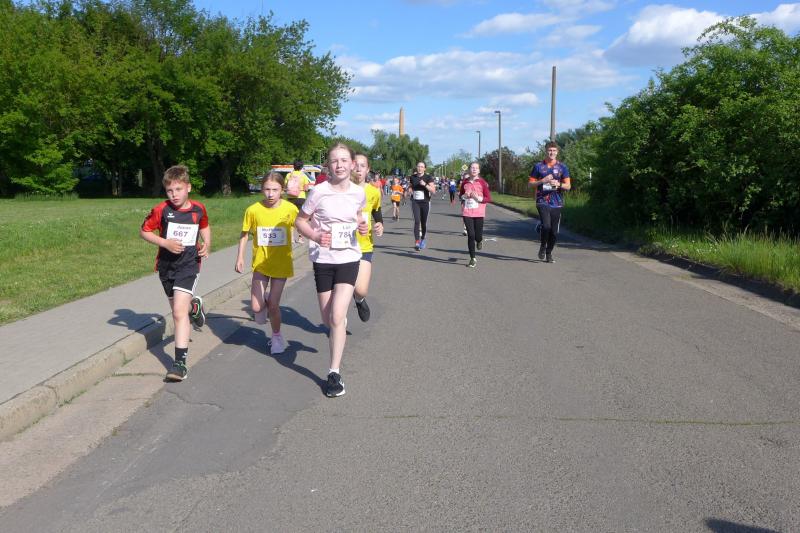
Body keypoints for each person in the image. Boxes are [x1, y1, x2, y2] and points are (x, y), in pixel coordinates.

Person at [295, 143, 368, 398]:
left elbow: (358, 215)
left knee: (337, 317)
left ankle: (334, 373)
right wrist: (315, 235)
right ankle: (339, 322)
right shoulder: (318, 192)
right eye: (334, 160)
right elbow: (300, 221)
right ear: (328, 165)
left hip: (349, 257)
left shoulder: (358, 193)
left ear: (352, 164)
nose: (339, 165)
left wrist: (362, 226)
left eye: (344, 160)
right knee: (328, 320)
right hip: (323, 260)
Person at [140, 165, 211, 382]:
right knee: (180, 309)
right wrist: (165, 243)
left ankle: (179, 364)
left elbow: (204, 226)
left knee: (179, 313)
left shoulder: (198, 209)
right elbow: (144, 231)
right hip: (166, 266)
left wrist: (207, 244)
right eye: (170, 191)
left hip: (189, 265)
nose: (174, 195)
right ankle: (194, 307)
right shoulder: (161, 209)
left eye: (178, 189)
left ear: (188, 187)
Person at [235, 171, 298, 355]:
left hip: (281, 263)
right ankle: (264, 301)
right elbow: (244, 234)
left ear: (282, 190)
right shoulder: (253, 210)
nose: (270, 194)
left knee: (273, 305)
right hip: (261, 263)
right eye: (267, 189)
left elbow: (303, 224)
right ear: (261, 189)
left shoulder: (290, 209)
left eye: (275, 190)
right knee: (256, 307)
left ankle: (277, 337)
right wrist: (240, 257)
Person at [352, 153, 384, 322]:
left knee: (361, 290)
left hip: (364, 246)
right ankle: (339, 322)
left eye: (362, 166)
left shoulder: (373, 191)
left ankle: (359, 299)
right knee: (341, 290)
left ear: (368, 169)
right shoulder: (341, 190)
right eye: (355, 165)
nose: (358, 169)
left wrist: (380, 224)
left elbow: (376, 211)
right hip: (342, 246)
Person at [528, 141, 571, 263]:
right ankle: (543, 246)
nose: (552, 153)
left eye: (554, 150)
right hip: (542, 200)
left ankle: (549, 253)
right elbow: (530, 184)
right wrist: (543, 180)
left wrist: (559, 184)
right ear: (546, 151)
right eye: (549, 150)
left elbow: (568, 186)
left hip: (557, 202)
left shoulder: (562, 167)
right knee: (546, 226)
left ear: (557, 152)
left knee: (554, 231)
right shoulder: (538, 166)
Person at [459, 162, 492, 268]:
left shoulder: (482, 183)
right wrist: (464, 196)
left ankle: (479, 240)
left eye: (476, 168)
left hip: (479, 213)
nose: (474, 169)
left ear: (479, 171)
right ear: (469, 170)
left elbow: (488, 198)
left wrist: (478, 198)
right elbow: (460, 196)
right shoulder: (465, 183)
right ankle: (472, 258)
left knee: (477, 236)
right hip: (467, 212)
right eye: (472, 168)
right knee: (471, 235)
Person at [409, 161, 436, 251]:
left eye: (421, 167)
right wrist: (409, 189)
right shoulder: (412, 177)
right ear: (416, 167)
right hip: (415, 202)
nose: (420, 168)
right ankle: (417, 242)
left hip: (425, 202)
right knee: (417, 221)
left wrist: (425, 184)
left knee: (423, 222)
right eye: (418, 166)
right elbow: (411, 186)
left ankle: (423, 238)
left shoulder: (428, 177)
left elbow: (433, 191)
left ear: (425, 168)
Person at [285, 160, 311, 243]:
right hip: (300, 198)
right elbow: (306, 188)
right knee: (301, 219)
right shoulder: (303, 176)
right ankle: (300, 238)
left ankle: (291, 237)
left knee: (290, 217)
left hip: (290, 198)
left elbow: (286, 186)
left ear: (293, 166)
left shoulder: (289, 175)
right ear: (301, 167)